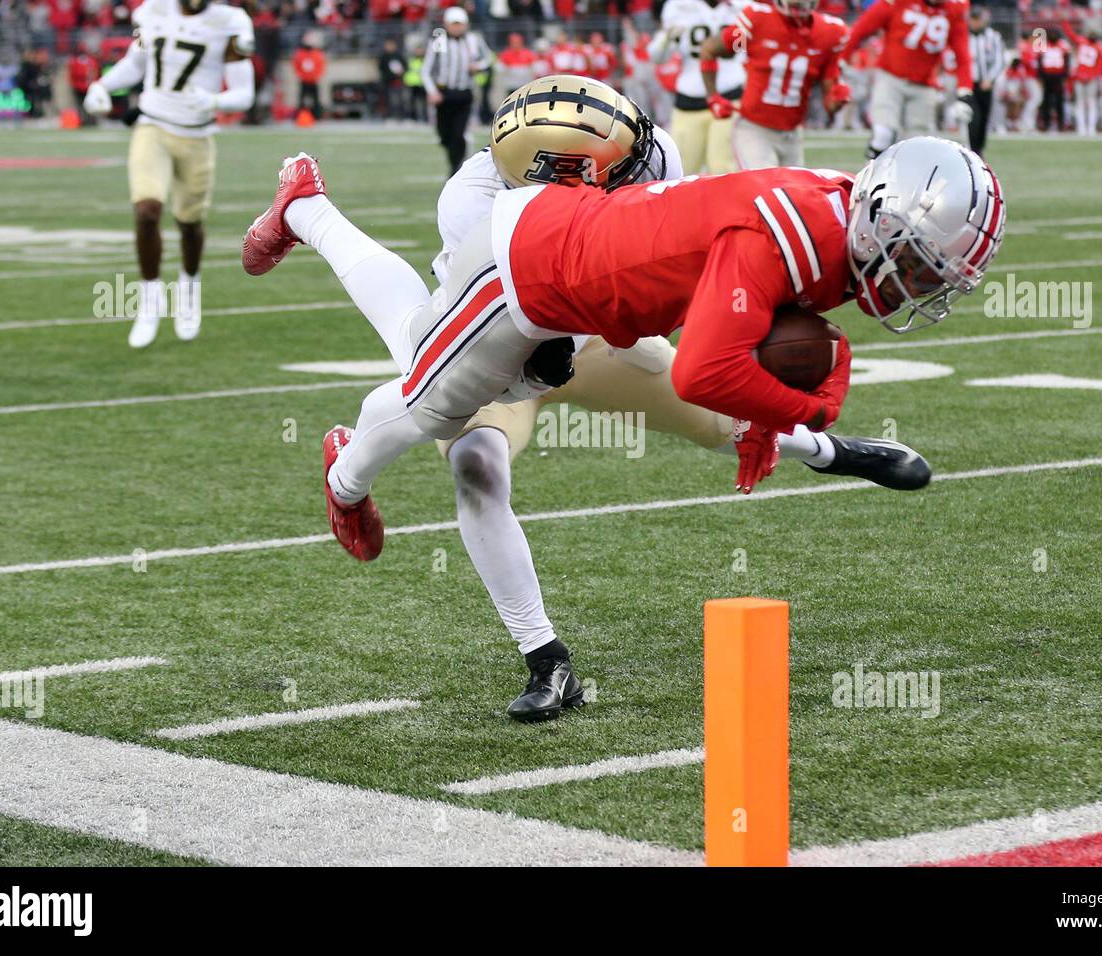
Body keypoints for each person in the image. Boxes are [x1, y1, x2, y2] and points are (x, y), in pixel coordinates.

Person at [241, 136, 1003, 714]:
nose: (921, 286)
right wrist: (809, 403)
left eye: (936, 274)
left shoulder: (832, 206)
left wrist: (780, 415)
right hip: (524, 285)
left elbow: (727, 333)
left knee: (708, 414)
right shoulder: (480, 192)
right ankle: (345, 471)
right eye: (921, 264)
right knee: (430, 400)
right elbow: (710, 364)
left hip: (600, 313)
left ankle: (826, 453)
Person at [83, 0, 255, 348]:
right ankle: (150, 298)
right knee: (146, 212)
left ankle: (188, 288)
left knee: (189, 223)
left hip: (197, 135)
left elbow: (244, 92)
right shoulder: (152, 12)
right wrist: (102, 85)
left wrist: (216, 101)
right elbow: (136, 62)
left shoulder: (230, 21)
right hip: (152, 124)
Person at [699, 0, 851, 170]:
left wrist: (838, 98)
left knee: (792, 192)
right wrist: (713, 97)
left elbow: (830, 104)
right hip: (754, 129)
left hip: (792, 134)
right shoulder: (756, 20)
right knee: (764, 188)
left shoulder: (831, 32)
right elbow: (710, 50)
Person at [841, 0, 974, 158]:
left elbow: (962, 54)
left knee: (918, 145)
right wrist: (842, 58)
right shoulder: (898, 2)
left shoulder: (954, 9)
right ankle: (871, 176)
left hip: (924, 86)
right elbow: (862, 28)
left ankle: (908, 181)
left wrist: (964, 93)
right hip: (891, 78)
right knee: (883, 134)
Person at [651, 0, 745, 174]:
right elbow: (658, 56)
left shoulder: (741, 6)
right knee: (680, 169)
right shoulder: (679, 6)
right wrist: (667, 39)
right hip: (689, 97)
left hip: (729, 94)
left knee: (722, 168)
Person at [422, 6, 491, 175]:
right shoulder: (439, 41)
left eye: (460, 24)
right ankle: (454, 161)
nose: (457, 27)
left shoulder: (474, 40)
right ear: (446, 24)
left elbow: (488, 59)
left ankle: (455, 169)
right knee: (444, 135)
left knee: (459, 134)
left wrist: (478, 66)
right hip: (444, 94)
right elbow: (426, 70)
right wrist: (432, 91)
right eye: (454, 24)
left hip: (464, 93)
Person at [965, 6, 1004, 155]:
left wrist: (990, 79)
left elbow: (1000, 60)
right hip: (968, 84)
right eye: (973, 19)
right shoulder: (964, 36)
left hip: (985, 84)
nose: (975, 23)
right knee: (973, 118)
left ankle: (979, 149)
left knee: (984, 116)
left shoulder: (993, 36)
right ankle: (972, 149)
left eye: (977, 19)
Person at [1063, 21, 1102, 137]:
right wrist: (1065, 22)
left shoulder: (1099, 48)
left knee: (1091, 103)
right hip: (1080, 78)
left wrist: (1090, 76)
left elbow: (1100, 67)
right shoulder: (1083, 42)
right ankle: (1082, 127)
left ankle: (1091, 128)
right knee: (1080, 103)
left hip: (1090, 79)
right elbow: (1071, 35)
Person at [292, 33, 326, 118]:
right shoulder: (300, 53)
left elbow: (320, 66)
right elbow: (296, 66)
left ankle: (316, 116)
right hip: (304, 80)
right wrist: (302, 76)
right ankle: (300, 116)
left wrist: (315, 76)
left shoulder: (317, 53)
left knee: (316, 100)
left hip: (313, 80)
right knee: (302, 99)